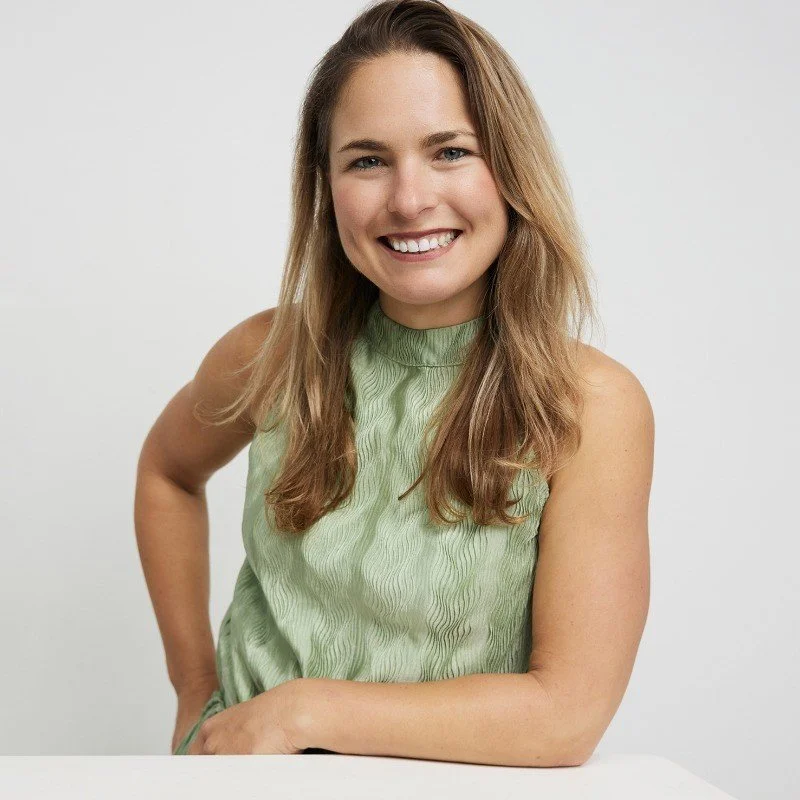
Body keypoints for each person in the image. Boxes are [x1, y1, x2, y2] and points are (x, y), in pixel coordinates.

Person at [135, 0, 654, 765]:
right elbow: (167, 474)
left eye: (449, 152)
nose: (410, 200)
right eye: (368, 160)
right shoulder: (273, 354)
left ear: (509, 167)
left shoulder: (590, 407)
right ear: (326, 184)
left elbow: (565, 716)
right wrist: (193, 688)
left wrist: (304, 712)